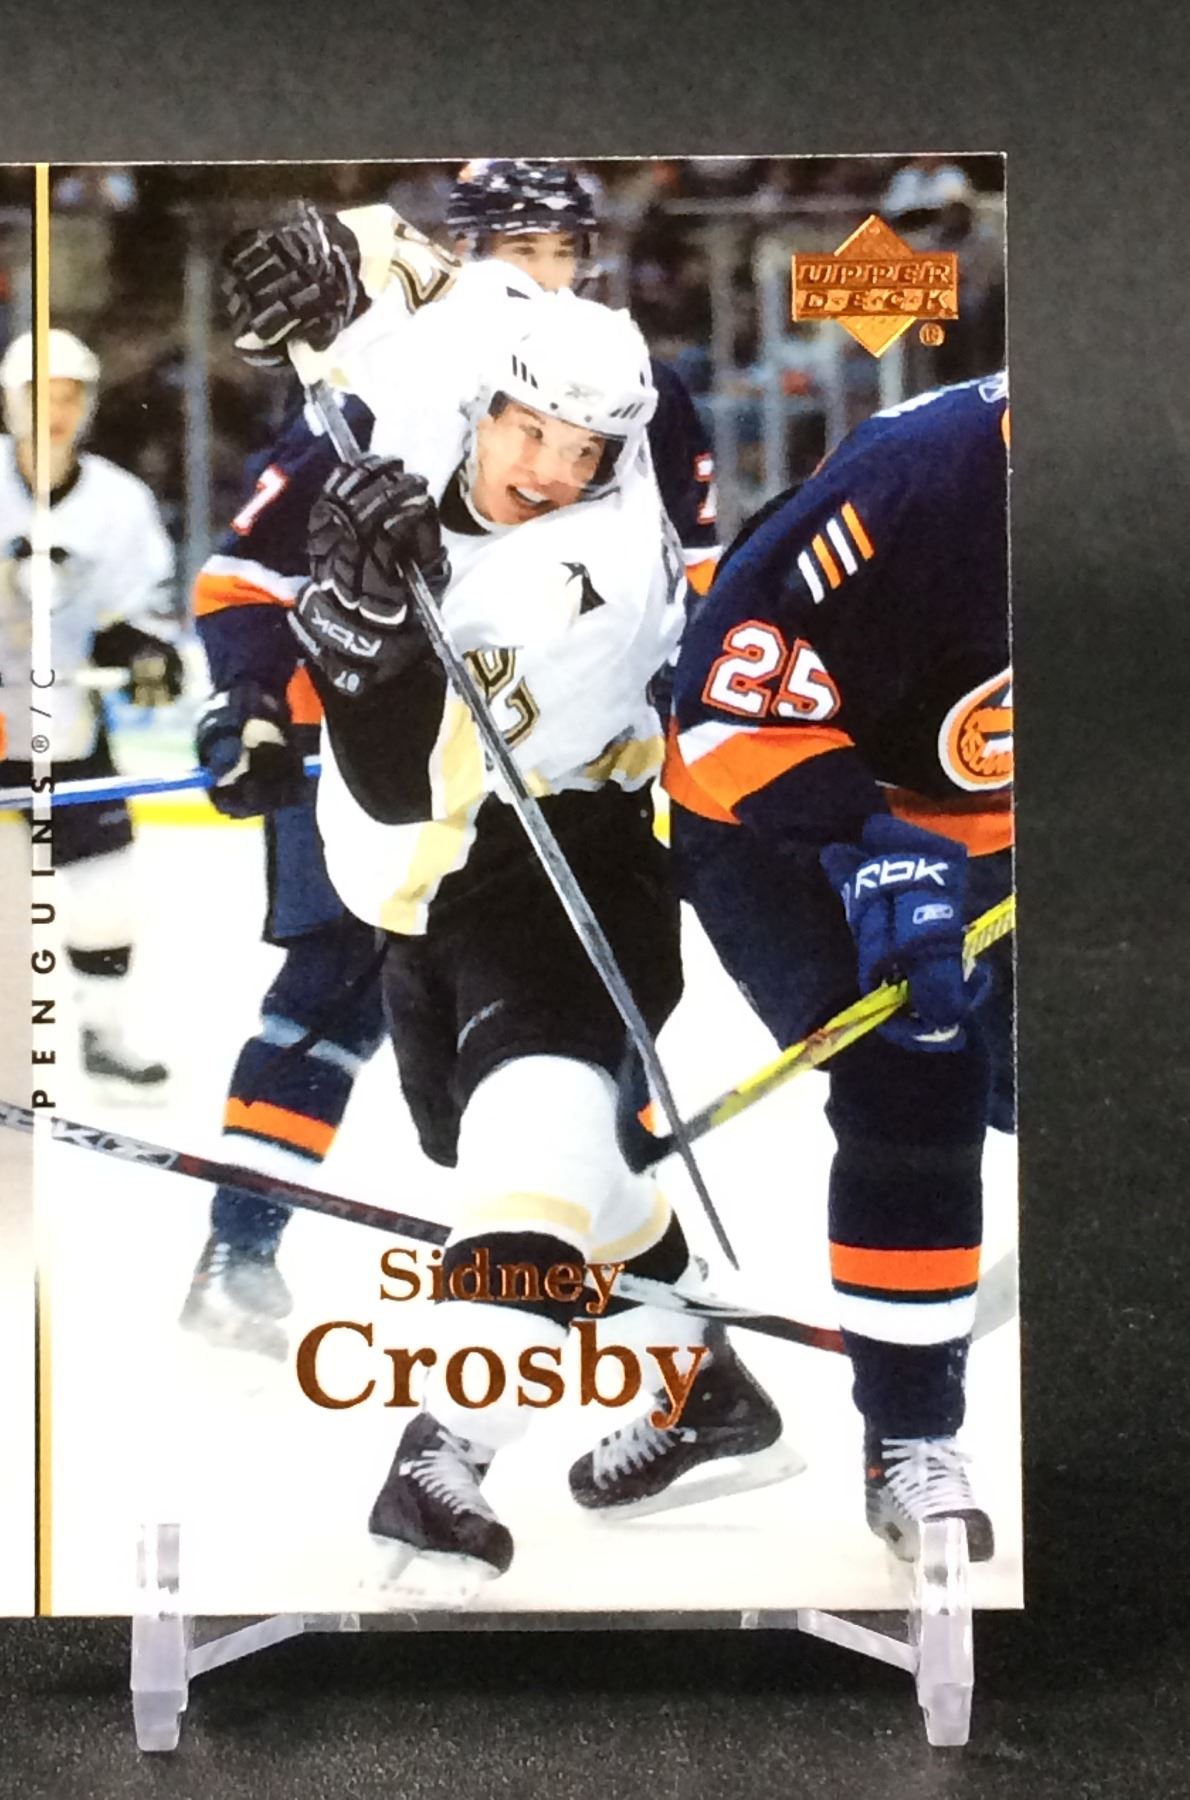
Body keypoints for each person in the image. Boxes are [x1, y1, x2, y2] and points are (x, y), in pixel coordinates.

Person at [269, 279, 801, 1588]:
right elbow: (409, 315)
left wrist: (362, 645)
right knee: (553, 1173)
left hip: (565, 869)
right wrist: (330, 286)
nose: (554, 471)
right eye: (531, 431)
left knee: (526, 1163)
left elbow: (401, 778)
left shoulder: (591, 581)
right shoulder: (457, 370)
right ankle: (700, 1386)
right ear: (485, 403)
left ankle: (444, 1457)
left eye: (588, 452)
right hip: (428, 898)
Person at [182, 162, 719, 1355]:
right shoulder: (428, 371)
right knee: (327, 983)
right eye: (516, 249)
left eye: (564, 251)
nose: (543, 276)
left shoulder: (633, 393)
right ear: (470, 256)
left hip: (526, 747)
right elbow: (250, 576)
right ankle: (239, 1250)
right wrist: (254, 703)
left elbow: (691, 582)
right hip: (358, 731)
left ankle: (623, 1303)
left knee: (547, 1057)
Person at [665, 373, 1014, 1562]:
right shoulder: (913, 482)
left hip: (989, 828)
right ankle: (911, 1438)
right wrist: (868, 843)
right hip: (786, 814)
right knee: (916, 1070)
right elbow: (721, 705)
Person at [0, 327, 182, 1099]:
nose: (54, 411)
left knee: (106, 888)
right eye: (40, 396)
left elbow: (140, 617)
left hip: (58, 717)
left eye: (69, 396)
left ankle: (103, 1034)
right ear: (9, 401)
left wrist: (146, 656)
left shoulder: (119, 503)